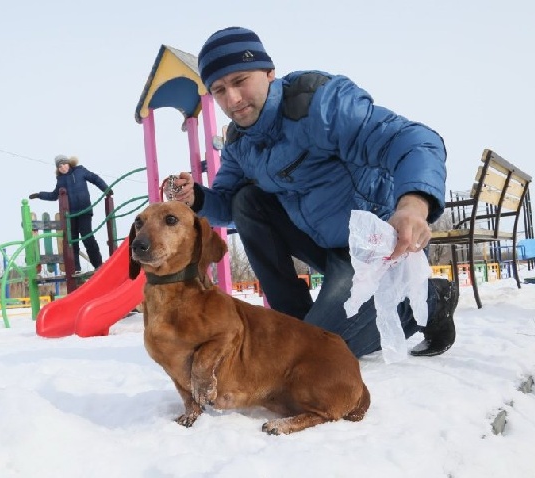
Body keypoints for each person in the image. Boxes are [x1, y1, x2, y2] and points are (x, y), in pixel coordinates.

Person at [163, 26, 458, 358]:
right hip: (322, 244)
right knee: (247, 201)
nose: (232, 99)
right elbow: (228, 205)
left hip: (373, 248)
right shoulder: (239, 143)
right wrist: (196, 199)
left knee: (322, 354)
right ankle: (293, 320)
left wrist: (413, 206)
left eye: (240, 81)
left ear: (269, 73)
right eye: (219, 90)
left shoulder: (320, 104)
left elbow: (413, 141)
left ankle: (432, 299)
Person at [29, 155, 108, 274]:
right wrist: (39, 195)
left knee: (88, 238)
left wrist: (106, 189)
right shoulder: (60, 180)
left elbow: (95, 178)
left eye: (64, 164)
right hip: (71, 215)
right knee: (73, 241)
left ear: (69, 163)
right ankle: (76, 268)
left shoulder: (80, 171)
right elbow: (54, 195)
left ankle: (98, 264)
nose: (63, 168)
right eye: (60, 166)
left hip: (84, 211)